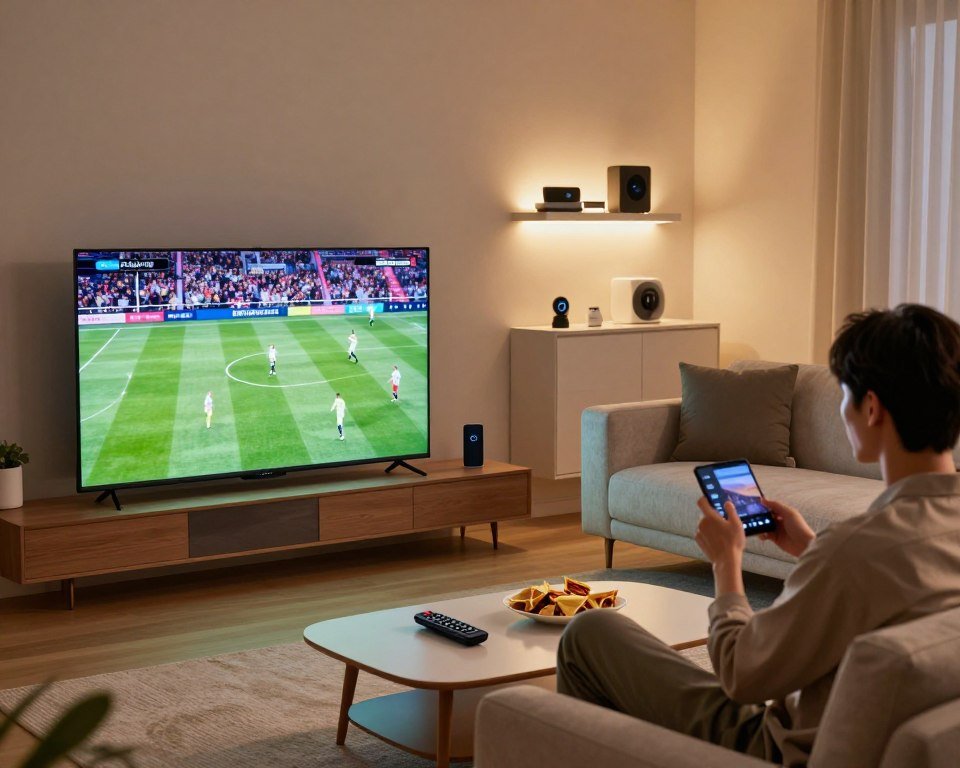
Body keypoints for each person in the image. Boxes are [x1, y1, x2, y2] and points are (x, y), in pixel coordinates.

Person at [556, 303, 960, 767]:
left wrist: (726, 564)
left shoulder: (855, 550)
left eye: (844, 395)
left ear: (872, 408)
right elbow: (898, 591)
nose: (841, 409)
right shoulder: (889, 542)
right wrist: (811, 549)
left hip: (773, 747)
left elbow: (740, 673)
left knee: (590, 631)